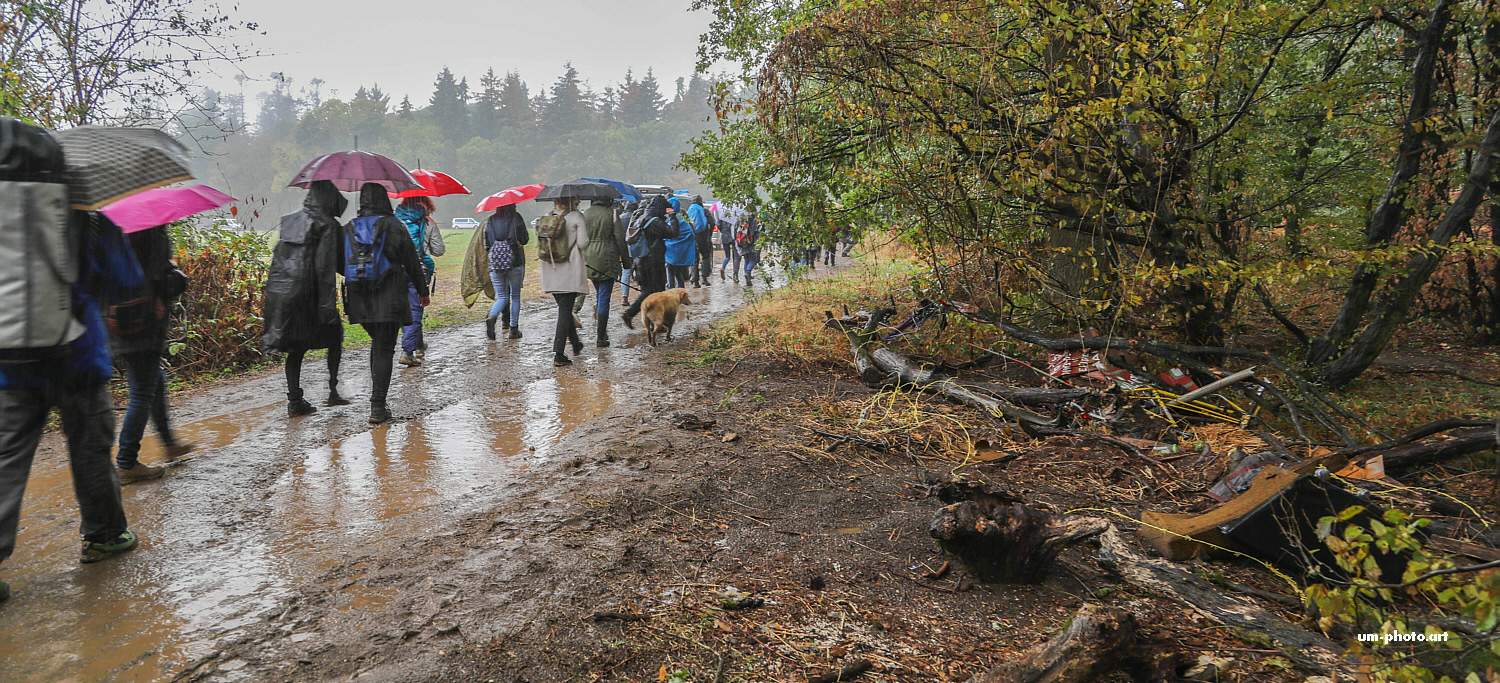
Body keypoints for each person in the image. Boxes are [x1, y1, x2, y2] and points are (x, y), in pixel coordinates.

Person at [2, 213, 145, 603]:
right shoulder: (86, 212)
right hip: (78, 356)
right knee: (90, 449)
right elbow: (127, 280)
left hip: (11, 358)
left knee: (7, 459)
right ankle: (104, 536)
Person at [111, 225, 195, 482]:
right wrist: (165, 284)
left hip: (120, 317)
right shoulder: (147, 227)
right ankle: (126, 461)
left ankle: (169, 444)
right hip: (142, 319)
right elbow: (156, 271)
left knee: (154, 381)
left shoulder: (113, 229)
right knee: (142, 392)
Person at [340, 183, 429, 424]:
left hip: (358, 297)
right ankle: (378, 406)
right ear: (384, 200)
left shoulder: (349, 228)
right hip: (389, 294)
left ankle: (378, 403)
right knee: (384, 347)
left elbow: (340, 263)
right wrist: (422, 291)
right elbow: (411, 260)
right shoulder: (393, 225)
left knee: (378, 343)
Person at [264, 181, 351, 417]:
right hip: (312, 294)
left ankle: (295, 400)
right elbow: (326, 266)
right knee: (335, 337)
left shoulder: (292, 220)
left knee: (296, 347)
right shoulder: (328, 225)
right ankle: (332, 390)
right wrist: (327, 306)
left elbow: (281, 258)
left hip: (285, 292)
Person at [538, 198, 590, 366]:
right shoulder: (576, 216)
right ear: (572, 200)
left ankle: (575, 343)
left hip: (550, 271)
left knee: (565, 310)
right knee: (565, 311)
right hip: (569, 271)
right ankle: (559, 353)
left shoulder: (547, 217)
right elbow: (582, 243)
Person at [622, 195, 678, 329]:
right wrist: (672, 217)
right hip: (653, 262)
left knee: (650, 291)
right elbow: (673, 233)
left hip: (640, 260)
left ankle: (655, 324)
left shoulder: (641, 217)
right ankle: (630, 314)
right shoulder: (655, 221)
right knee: (653, 292)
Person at [394, 197, 438, 367]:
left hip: (394, 270)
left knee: (404, 308)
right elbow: (439, 249)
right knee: (415, 309)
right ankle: (407, 351)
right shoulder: (426, 222)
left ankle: (418, 344)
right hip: (417, 268)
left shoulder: (394, 218)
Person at [583, 198, 630, 347]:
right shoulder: (612, 214)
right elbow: (620, 239)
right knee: (604, 297)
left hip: (590, 258)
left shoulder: (585, 214)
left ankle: (602, 331)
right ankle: (601, 336)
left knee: (600, 294)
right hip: (607, 259)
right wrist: (626, 261)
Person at [483, 204, 529, 340]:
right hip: (515, 262)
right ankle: (513, 330)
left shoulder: (490, 220)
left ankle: (492, 316)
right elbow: (525, 239)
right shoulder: (517, 217)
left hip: (495, 264)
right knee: (515, 296)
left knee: (501, 296)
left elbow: (487, 244)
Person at [664, 196, 695, 289]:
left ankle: (671, 289)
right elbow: (691, 228)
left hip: (670, 251)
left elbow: (667, 233)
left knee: (670, 270)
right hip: (681, 251)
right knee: (678, 271)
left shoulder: (669, 218)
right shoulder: (683, 215)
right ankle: (681, 291)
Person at [689, 196, 713, 287]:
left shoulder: (689, 210)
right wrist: (709, 235)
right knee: (705, 256)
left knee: (694, 258)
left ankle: (695, 281)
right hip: (703, 237)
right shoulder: (705, 211)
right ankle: (704, 278)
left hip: (693, 237)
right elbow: (712, 222)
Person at [617, 202, 635, 307]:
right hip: (635, 248)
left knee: (626, 271)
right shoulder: (636, 218)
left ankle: (624, 297)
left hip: (623, 248)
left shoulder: (620, 218)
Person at [718, 203, 742, 283]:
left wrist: (723, 231)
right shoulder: (735, 215)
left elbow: (718, 225)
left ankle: (723, 268)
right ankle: (735, 275)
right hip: (733, 238)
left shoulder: (722, 215)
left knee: (727, 256)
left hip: (724, 237)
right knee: (736, 257)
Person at [739, 209, 762, 283]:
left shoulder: (742, 219)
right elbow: (755, 232)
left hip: (743, 242)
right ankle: (748, 272)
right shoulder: (754, 220)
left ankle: (747, 278)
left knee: (746, 259)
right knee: (753, 259)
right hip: (751, 242)